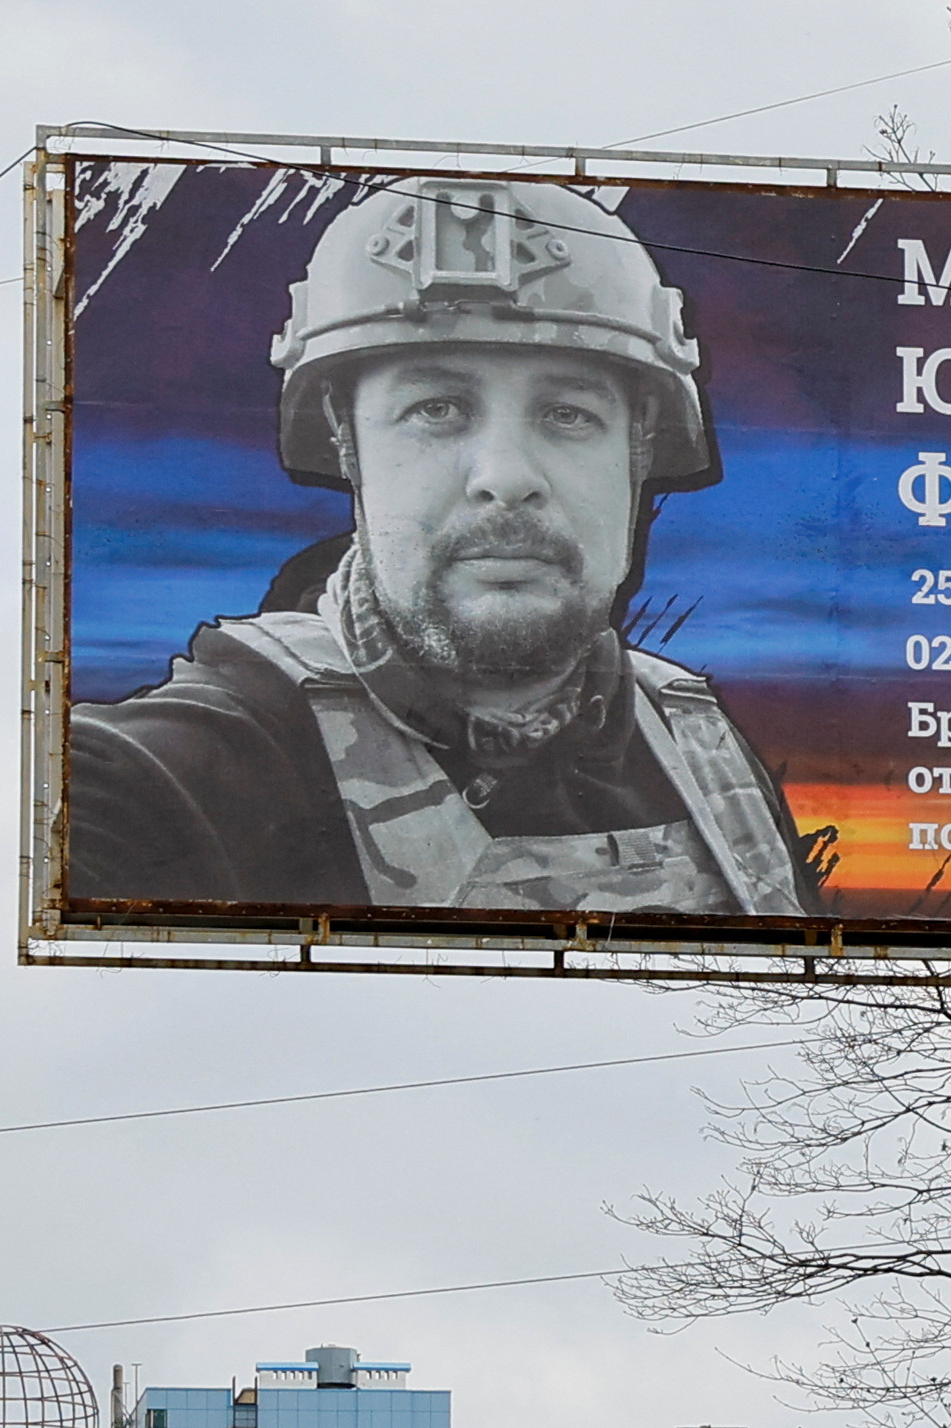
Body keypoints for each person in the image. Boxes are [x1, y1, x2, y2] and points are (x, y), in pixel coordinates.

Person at [64, 174, 818, 922]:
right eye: (437, 408)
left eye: (568, 413)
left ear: (639, 454)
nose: (506, 477)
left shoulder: (706, 752)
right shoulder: (173, 775)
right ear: (347, 443)